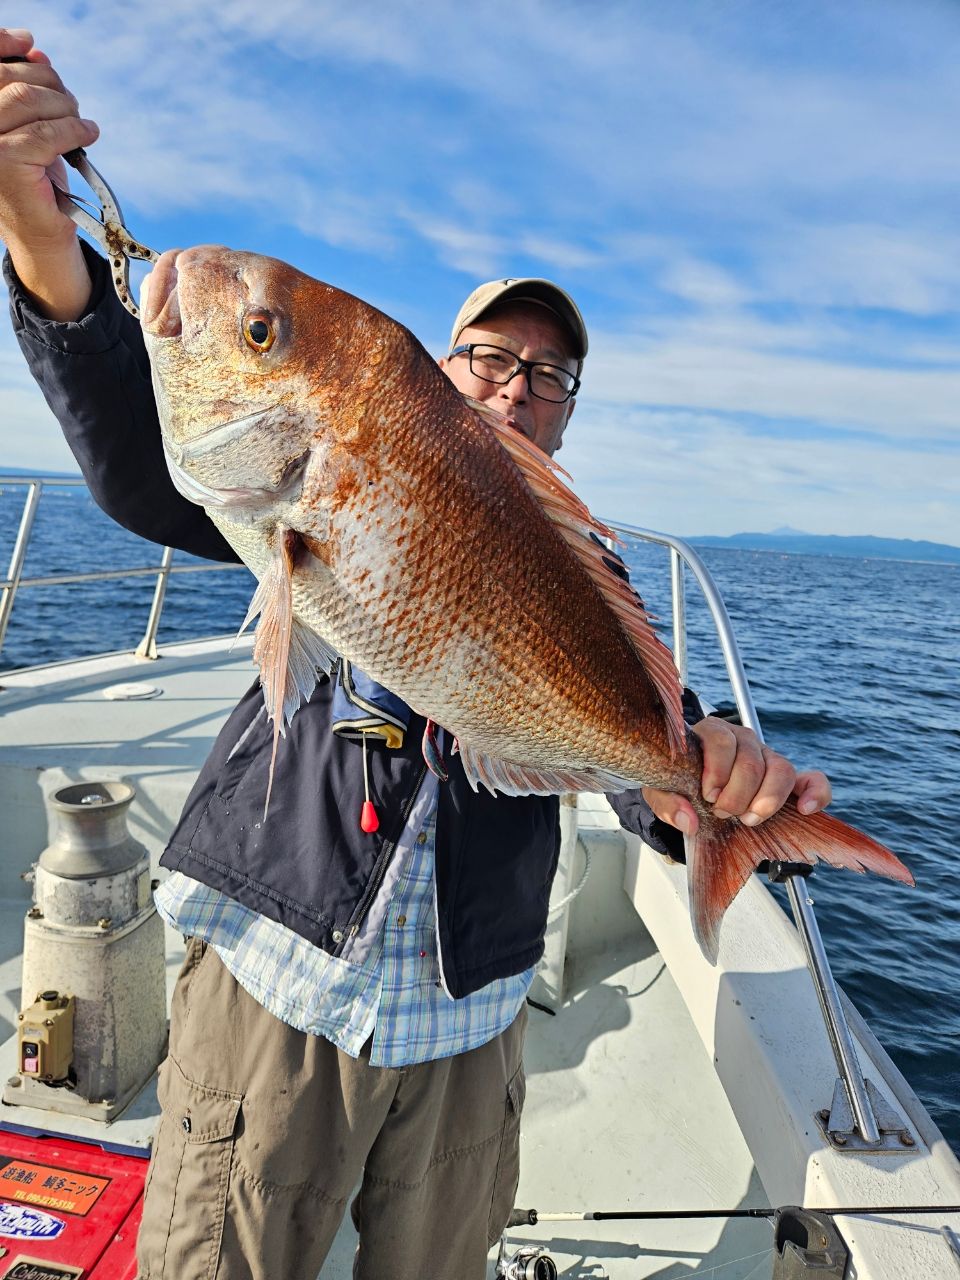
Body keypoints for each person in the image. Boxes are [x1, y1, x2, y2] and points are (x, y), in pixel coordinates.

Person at [0, 30, 832, 1280]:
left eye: (549, 374)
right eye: (490, 356)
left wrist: (703, 774)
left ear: (567, 409)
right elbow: (135, 462)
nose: (516, 384)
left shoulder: (583, 569)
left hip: (472, 1017)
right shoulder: (317, 475)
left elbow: (632, 740)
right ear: (441, 373)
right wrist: (37, 230)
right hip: (275, 984)